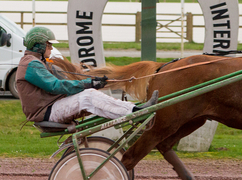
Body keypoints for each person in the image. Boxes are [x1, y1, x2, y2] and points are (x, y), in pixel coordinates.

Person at [16, 26, 158, 124]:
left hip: (49, 109)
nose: (51, 48)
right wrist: (88, 84)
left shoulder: (38, 62)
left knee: (94, 104)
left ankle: (133, 113)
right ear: (39, 46)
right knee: (88, 96)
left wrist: (92, 80)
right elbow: (56, 86)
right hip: (45, 113)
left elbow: (64, 82)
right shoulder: (31, 64)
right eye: (48, 45)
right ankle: (135, 111)